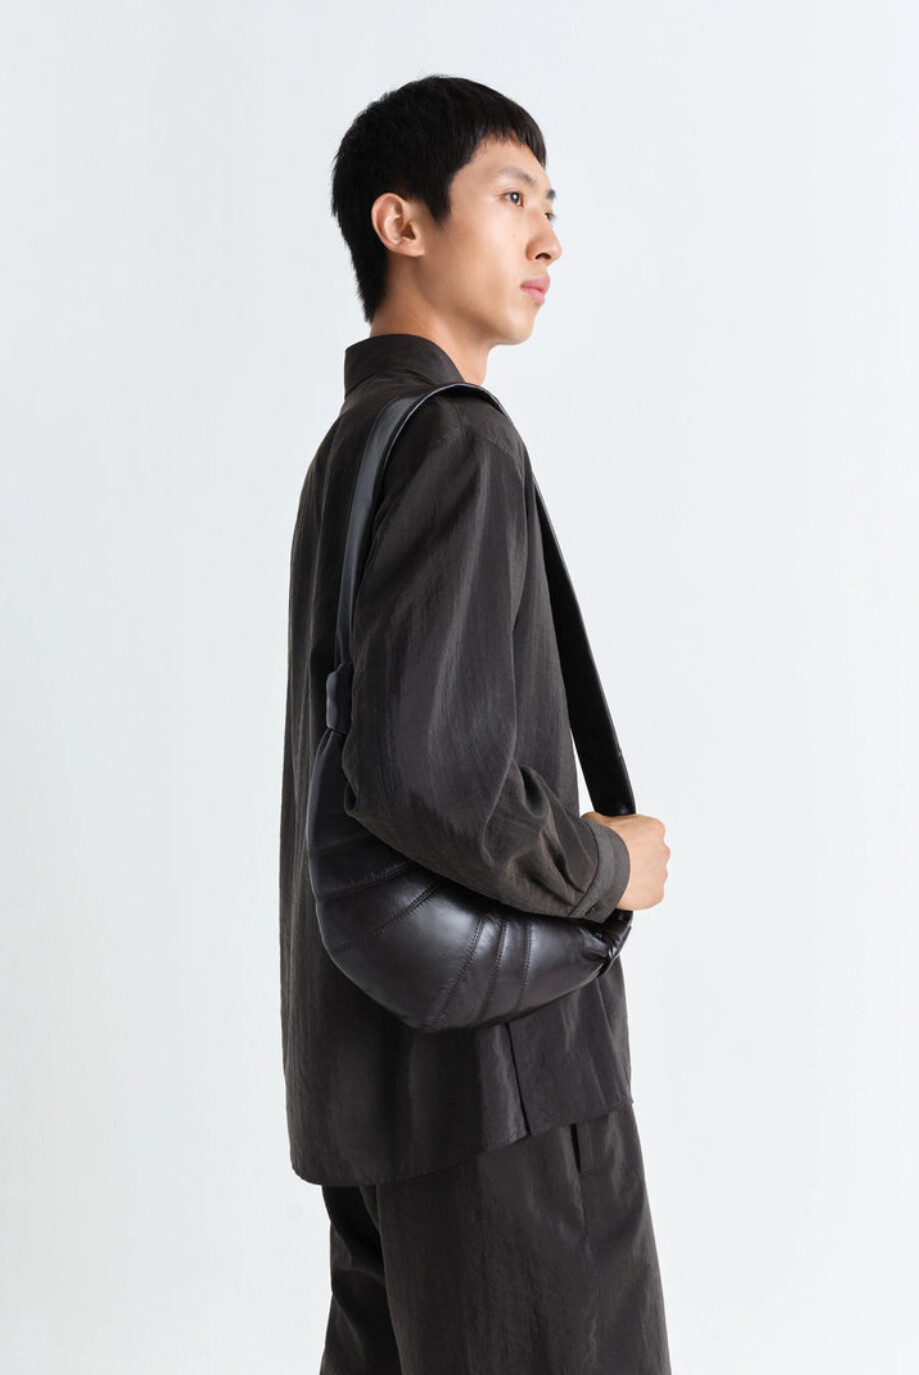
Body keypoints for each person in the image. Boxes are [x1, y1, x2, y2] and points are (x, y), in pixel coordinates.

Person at [279, 74, 674, 1374]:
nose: (548, 238)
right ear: (403, 223)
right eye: (512, 198)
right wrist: (606, 863)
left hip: (379, 1086)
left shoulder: (358, 444)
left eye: (553, 206)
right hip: (502, 1086)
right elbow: (425, 777)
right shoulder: (456, 443)